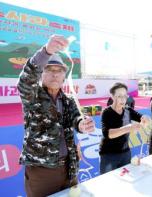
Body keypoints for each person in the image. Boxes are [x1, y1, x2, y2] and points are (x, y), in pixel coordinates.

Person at [17, 35, 95, 197]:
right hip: (42, 172)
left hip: (70, 167)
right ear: (41, 74)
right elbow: (25, 81)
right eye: (49, 70)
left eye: (59, 71)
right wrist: (46, 51)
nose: (55, 74)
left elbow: (76, 118)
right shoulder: (32, 95)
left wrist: (82, 124)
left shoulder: (68, 100)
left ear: (64, 76)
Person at [99, 82, 150, 174]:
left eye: (125, 96)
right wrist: (128, 128)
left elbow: (141, 117)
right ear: (112, 96)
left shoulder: (128, 110)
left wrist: (144, 118)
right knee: (108, 183)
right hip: (109, 155)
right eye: (119, 96)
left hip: (126, 153)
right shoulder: (106, 112)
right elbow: (107, 134)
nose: (123, 99)